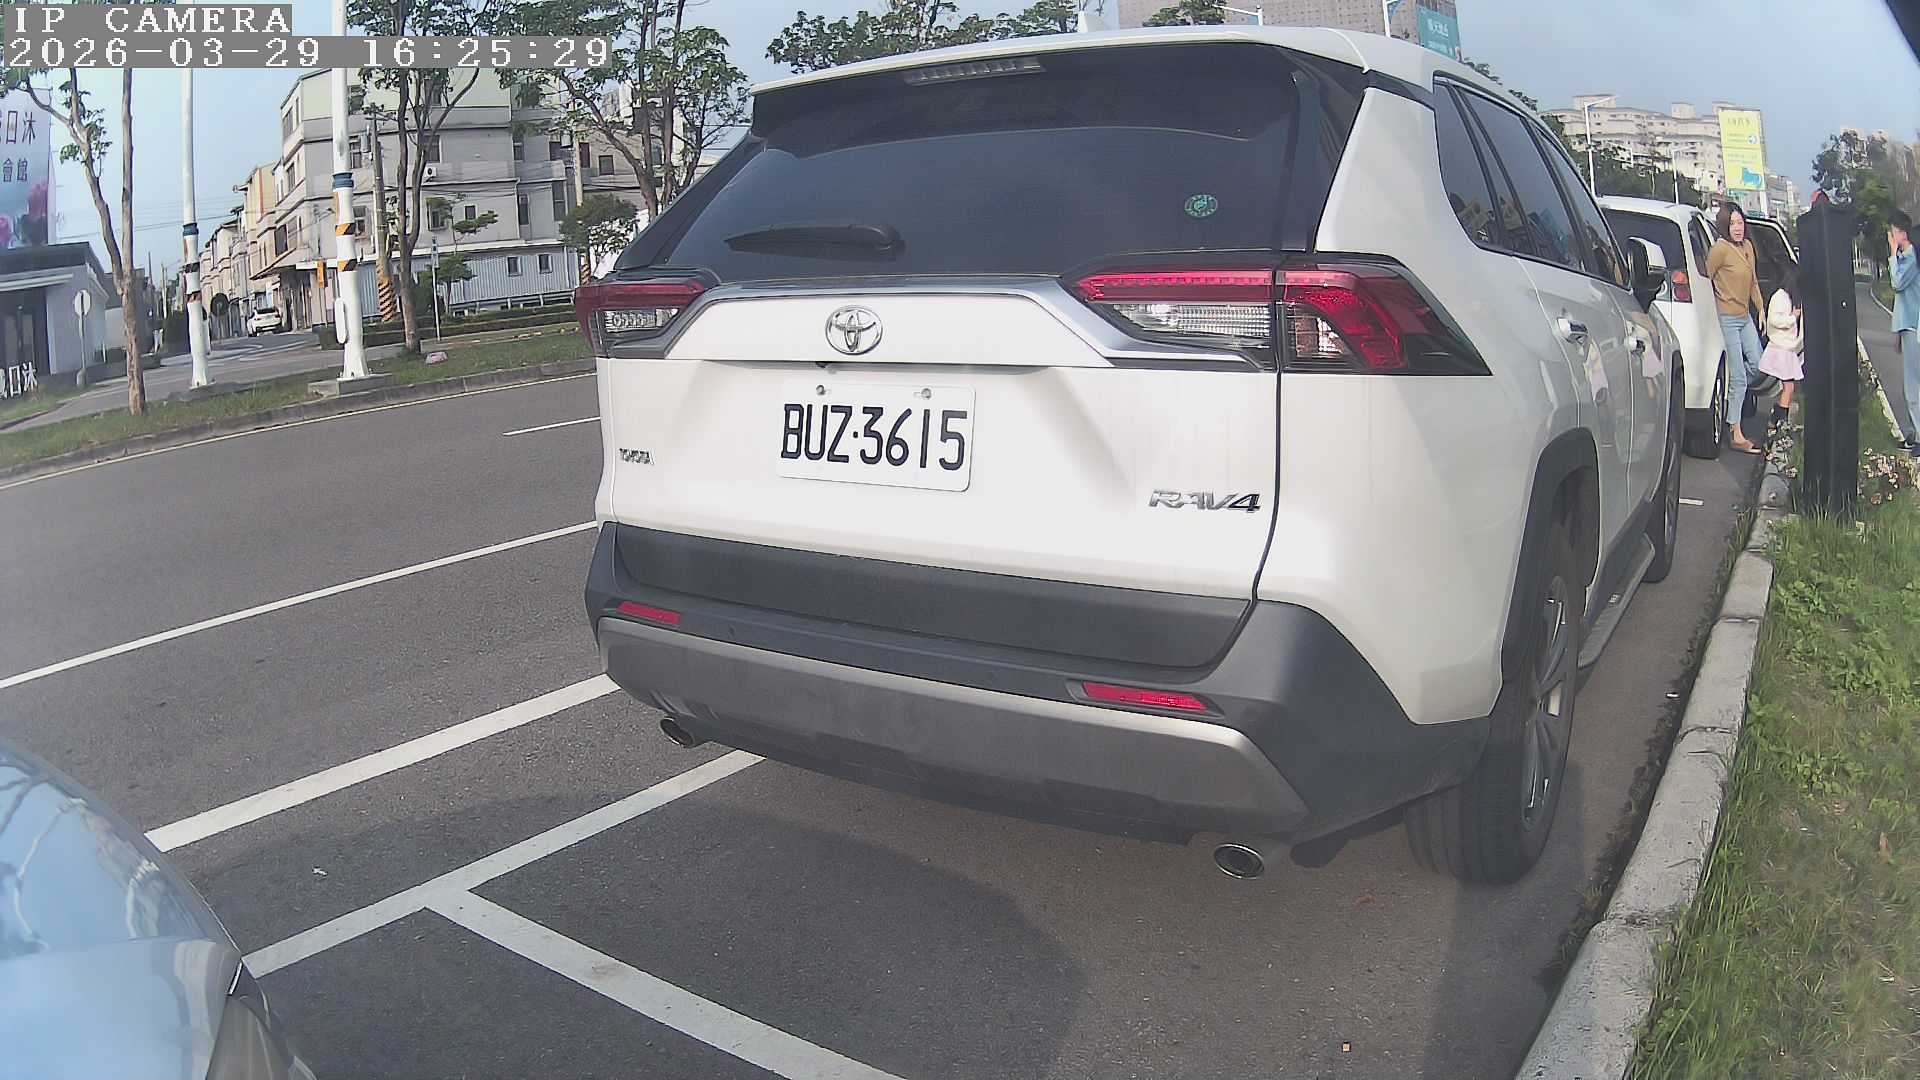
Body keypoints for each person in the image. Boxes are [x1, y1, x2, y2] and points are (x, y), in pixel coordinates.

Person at [1707, 203, 1768, 454]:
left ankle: (1731, 389)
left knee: (1759, 364)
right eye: (1732, 223)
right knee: (1740, 378)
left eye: (1740, 222)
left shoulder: (1748, 248)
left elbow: (1753, 281)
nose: (1738, 228)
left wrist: (1761, 308)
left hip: (1745, 317)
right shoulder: (1720, 249)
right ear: (1725, 226)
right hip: (1726, 318)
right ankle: (1736, 433)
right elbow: (1705, 278)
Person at [1758, 268, 1802, 427]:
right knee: (1789, 387)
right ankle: (1778, 421)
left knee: (1789, 387)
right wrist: (1792, 318)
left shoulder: (1789, 298)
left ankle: (1776, 419)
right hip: (1780, 348)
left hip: (1787, 349)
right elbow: (1774, 320)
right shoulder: (1780, 297)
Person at [1891, 209, 1920, 451]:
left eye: (1892, 233)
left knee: (1913, 385)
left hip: (1914, 327)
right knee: (1909, 384)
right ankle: (1913, 432)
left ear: (1902, 234)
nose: (1890, 238)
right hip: (1907, 326)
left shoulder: (1911, 259)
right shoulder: (1905, 258)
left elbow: (1897, 283)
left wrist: (1892, 255)